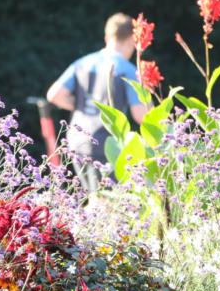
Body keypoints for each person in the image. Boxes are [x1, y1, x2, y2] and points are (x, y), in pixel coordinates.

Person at [46, 12, 148, 192]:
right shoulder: (128, 70)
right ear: (132, 40)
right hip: (105, 145)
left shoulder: (82, 63)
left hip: (76, 141)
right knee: (108, 203)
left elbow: (54, 95)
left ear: (107, 37)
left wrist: (82, 105)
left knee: (91, 198)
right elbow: (141, 115)